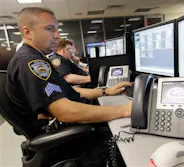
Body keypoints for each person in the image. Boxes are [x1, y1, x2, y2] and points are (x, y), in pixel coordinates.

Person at [6, 7, 132, 137]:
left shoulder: (34, 57)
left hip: (61, 126)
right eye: (50, 29)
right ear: (28, 32)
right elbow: (64, 112)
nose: (57, 36)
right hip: (59, 136)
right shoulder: (31, 62)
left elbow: (67, 91)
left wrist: (105, 91)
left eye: (57, 30)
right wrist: (123, 110)